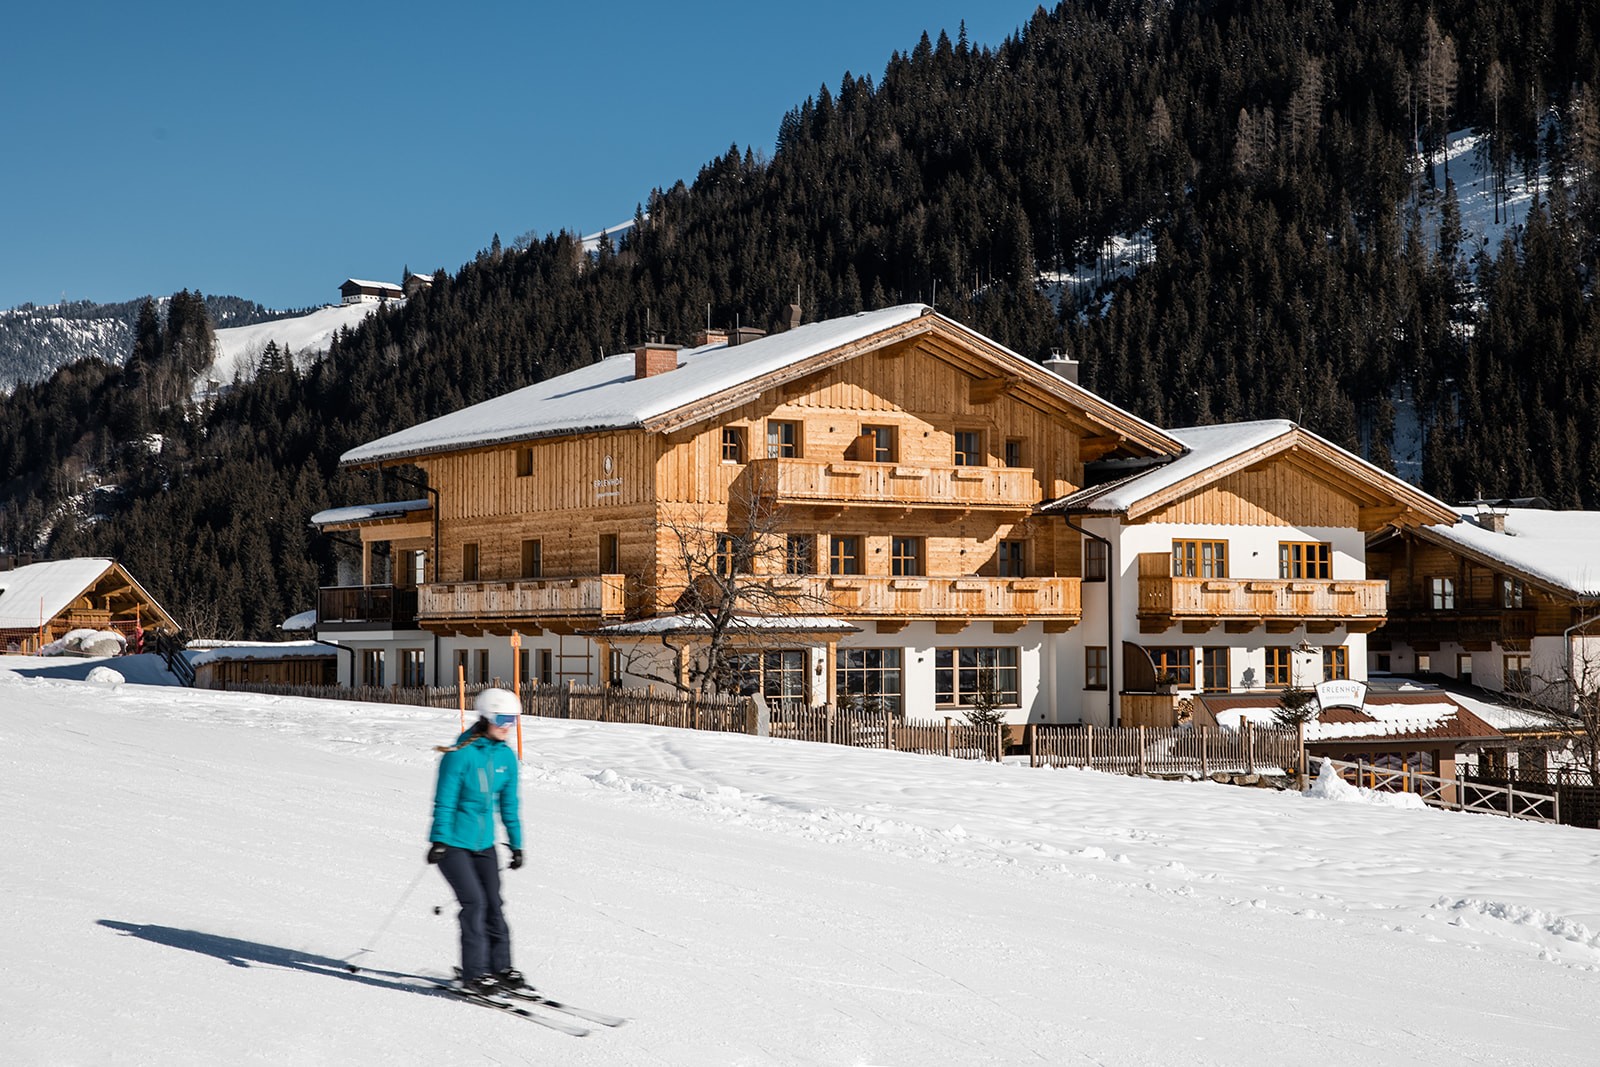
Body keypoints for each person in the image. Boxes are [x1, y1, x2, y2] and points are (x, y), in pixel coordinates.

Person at [428, 687, 527, 997]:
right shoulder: (460, 756)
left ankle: (501, 968)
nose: (507, 725)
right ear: (485, 719)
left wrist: (517, 844)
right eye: (502, 719)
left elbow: (509, 805)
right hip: (453, 846)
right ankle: (475, 973)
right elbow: (444, 801)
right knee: (475, 904)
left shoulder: (506, 757)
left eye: (513, 719)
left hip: (484, 845)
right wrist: (439, 840)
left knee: (495, 906)